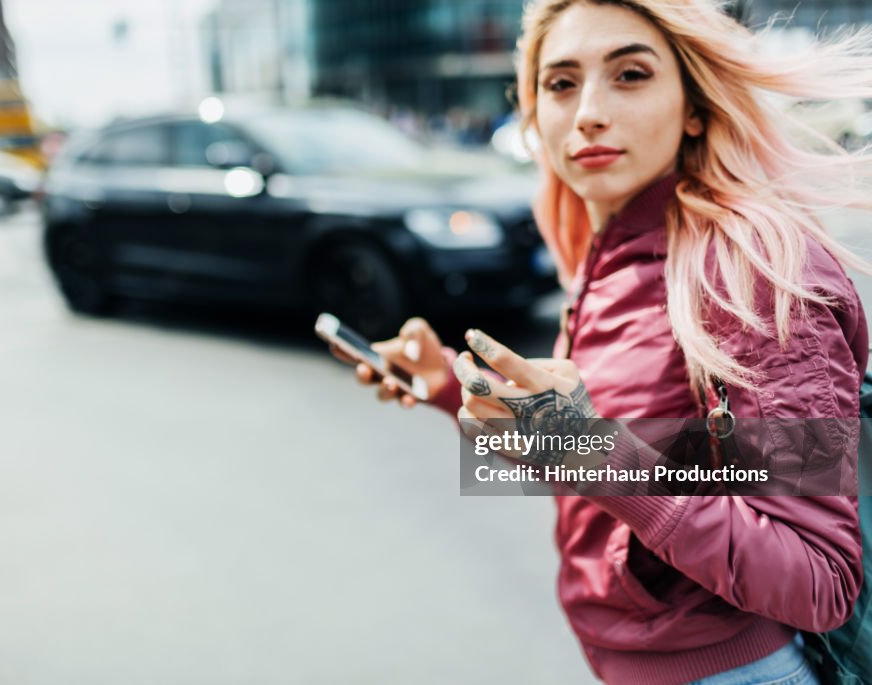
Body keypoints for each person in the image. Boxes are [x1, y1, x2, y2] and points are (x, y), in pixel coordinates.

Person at [329, 1, 872, 683]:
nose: (588, 110)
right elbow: (609, 462)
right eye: (561, 84)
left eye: (630, 74)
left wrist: (599, 453)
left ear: (694, 105)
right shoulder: (609, 256)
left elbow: (819, 580)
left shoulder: (753, 272)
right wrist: (447, 385)